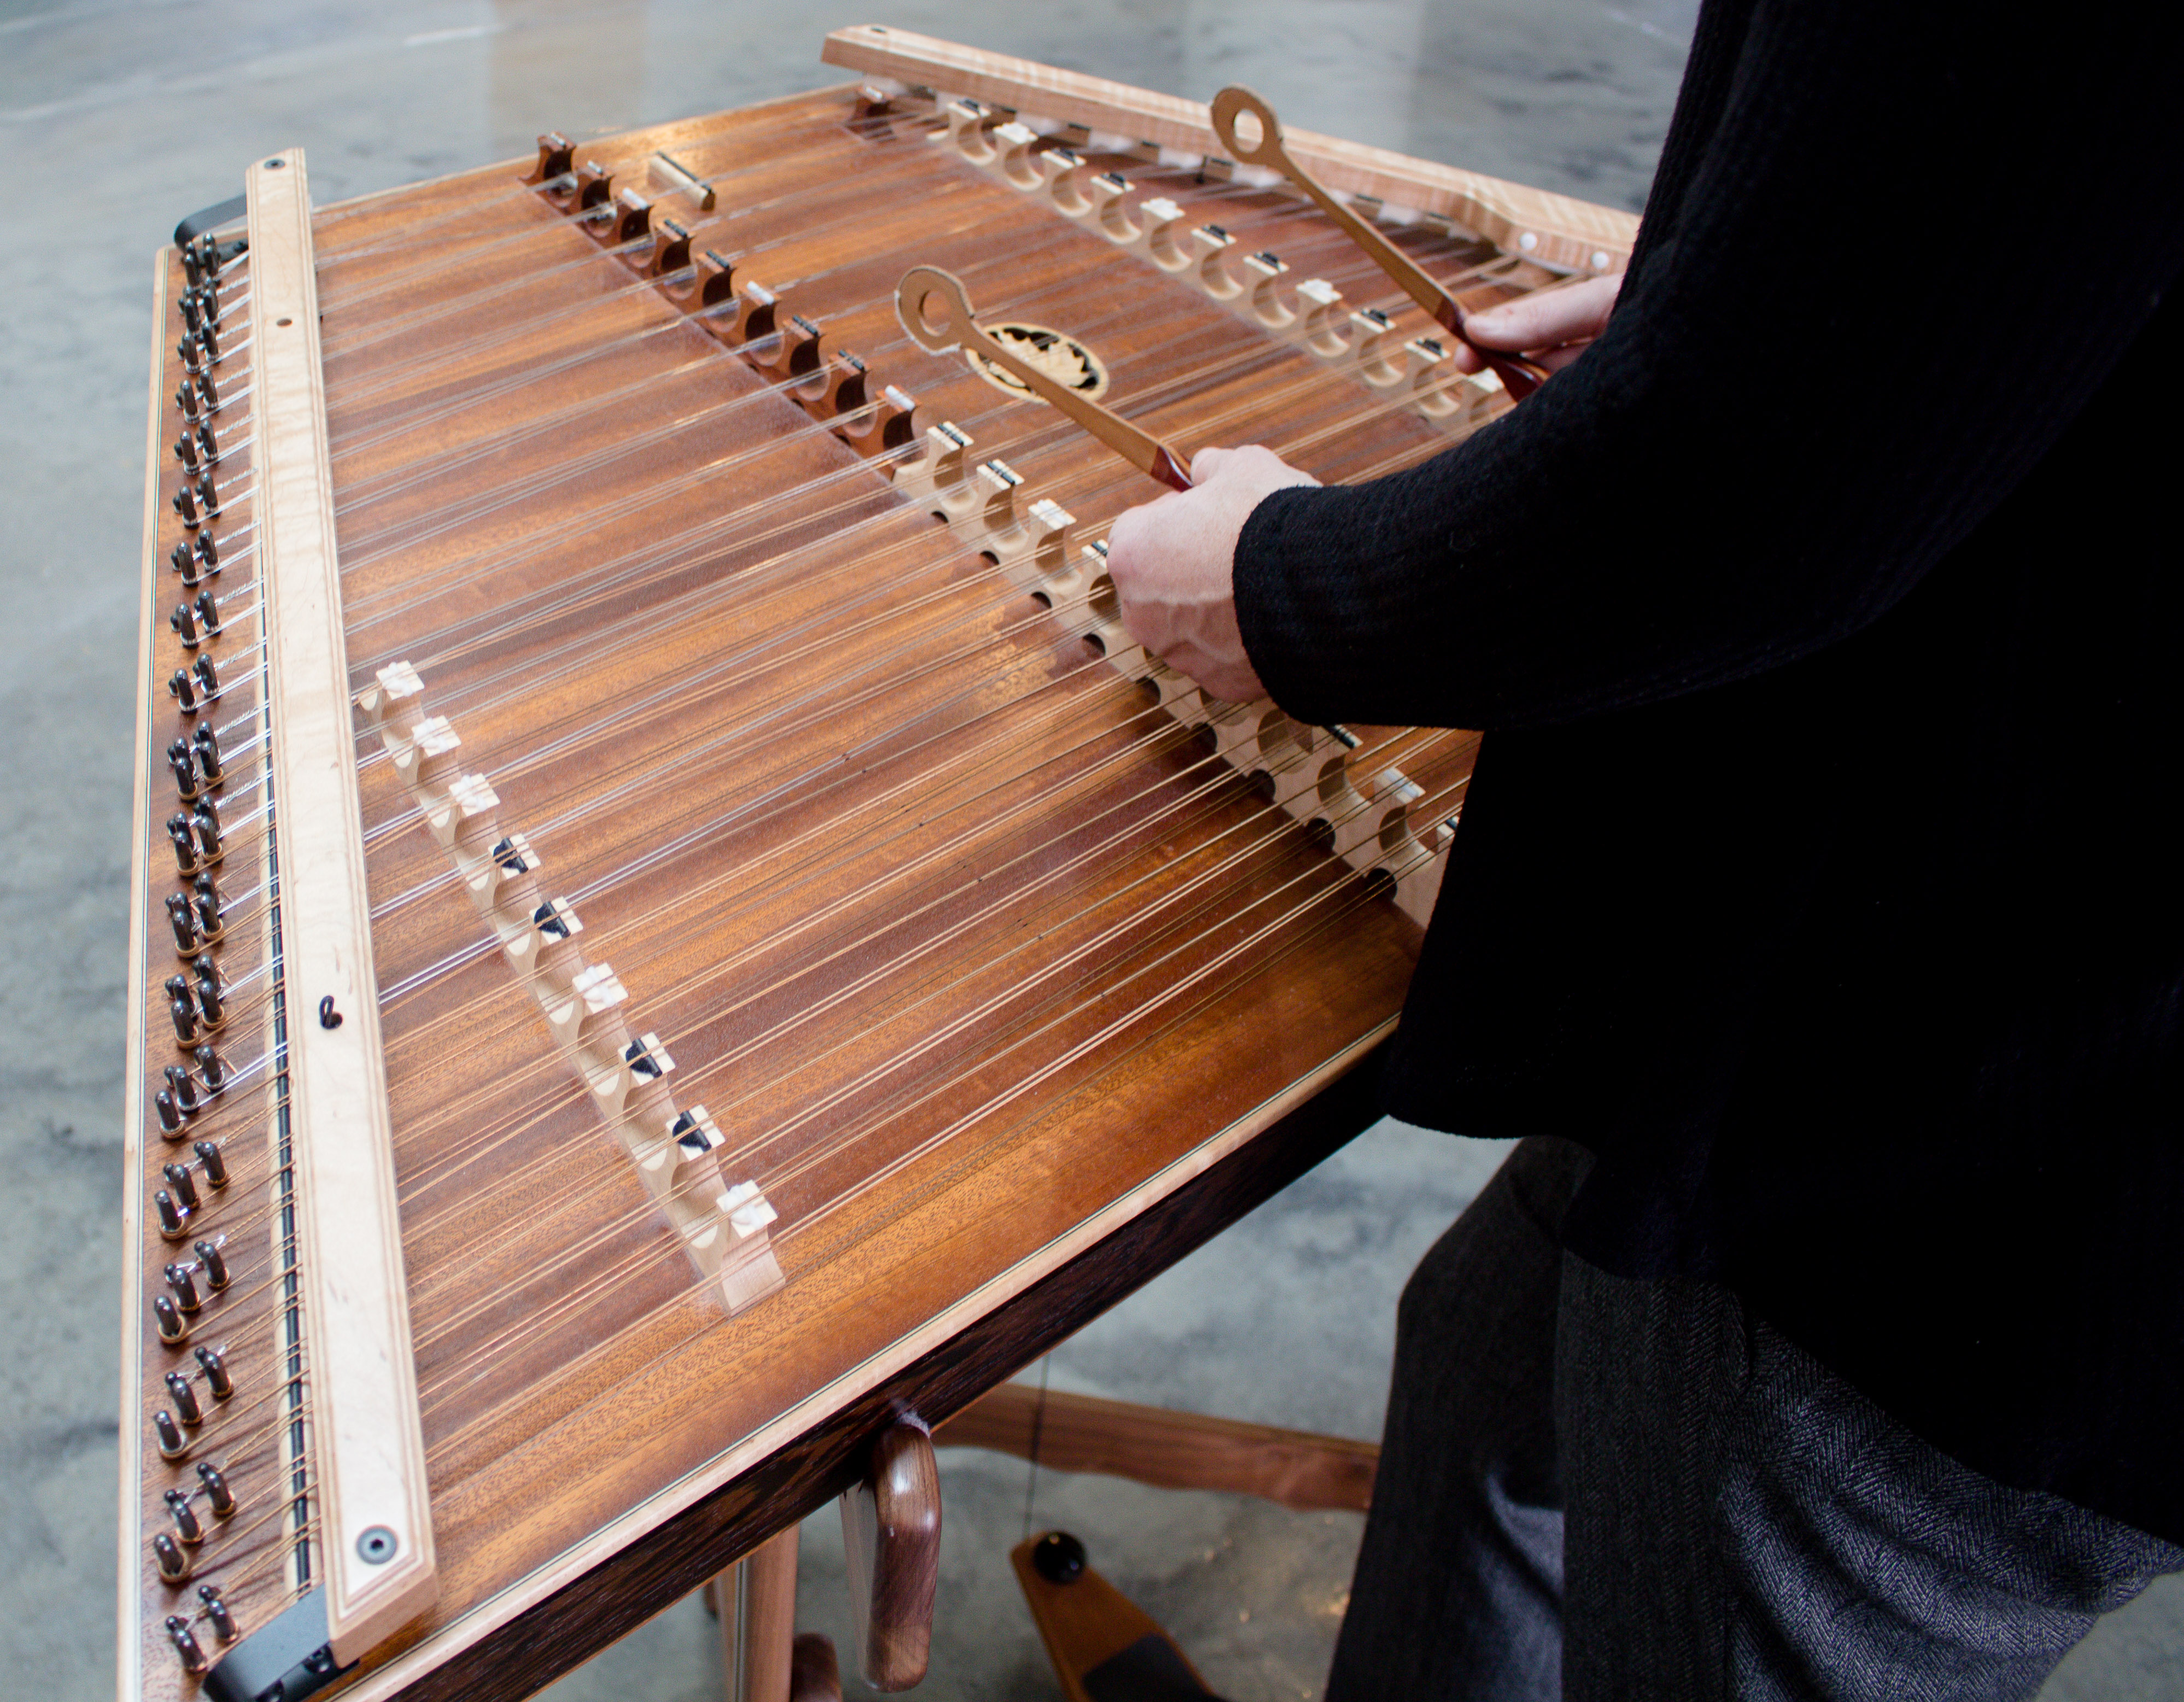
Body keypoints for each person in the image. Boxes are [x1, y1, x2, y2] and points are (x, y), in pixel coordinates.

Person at [1103, 0, 2184, 1694]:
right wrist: (1784, 282)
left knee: (1757, 1566)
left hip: (1970, 1130)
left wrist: (1276, 589)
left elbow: (1749, 511)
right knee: (1486, 1374)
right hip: (1997, 937)